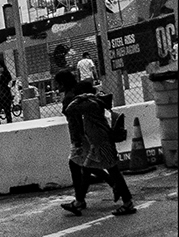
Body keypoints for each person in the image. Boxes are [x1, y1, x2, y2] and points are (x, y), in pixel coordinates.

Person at [52, 69, 133, 216]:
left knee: (112, 170)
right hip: (95, 140)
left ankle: (127, 202)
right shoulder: (93, 103)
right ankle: (79, 201)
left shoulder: (88, 104)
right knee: (86, 167)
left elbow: (70, 112)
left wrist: (80, 99)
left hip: (100, 141)